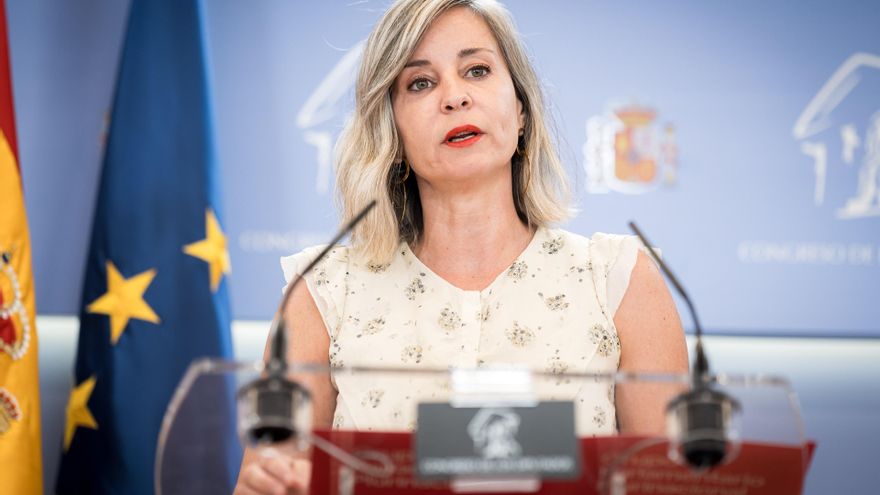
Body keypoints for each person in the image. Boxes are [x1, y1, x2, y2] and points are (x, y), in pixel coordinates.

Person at [234, 0, 687, 493]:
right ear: (392, 130)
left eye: (477, 70)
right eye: (420, 83)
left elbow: (669, 484)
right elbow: (265, 481)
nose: (454, 97)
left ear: (520, 111)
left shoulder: (618, 280)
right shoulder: (323, 293)